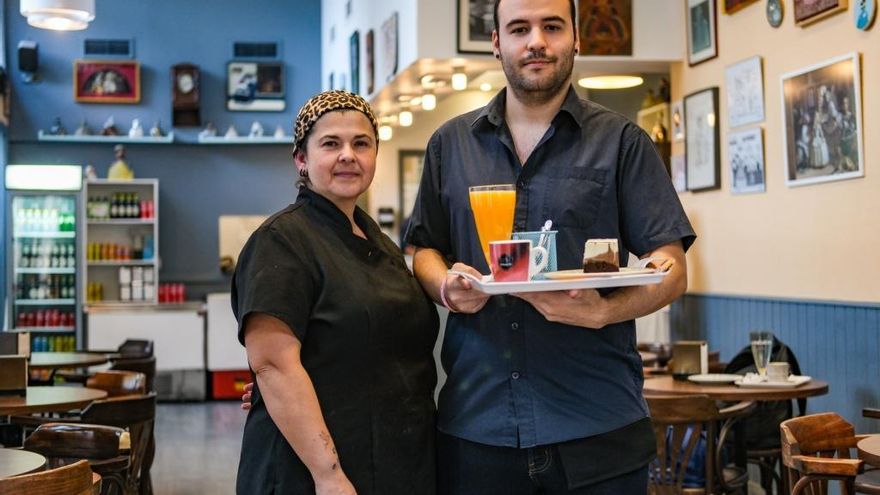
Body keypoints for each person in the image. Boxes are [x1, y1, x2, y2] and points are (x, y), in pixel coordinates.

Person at [404, 0, 695, 493]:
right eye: (519, 28)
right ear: (496, 42)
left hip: (597, 427)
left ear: (577, 38)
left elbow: (672, 268)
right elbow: (421, 250)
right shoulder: (449, 145)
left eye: (552, 26)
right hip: (478, 427)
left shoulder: (623, 142)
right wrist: (447, 289)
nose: (536, 40)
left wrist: (603, 312)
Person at [232, 90, 438, 495]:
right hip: (313, 474)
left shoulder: (377, 240)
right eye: (331, 143)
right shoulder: (282, 241)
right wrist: (328, 476)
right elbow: (274, 367)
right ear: (302, 159)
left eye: (361, 143)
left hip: (394, 461)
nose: (348, 155)